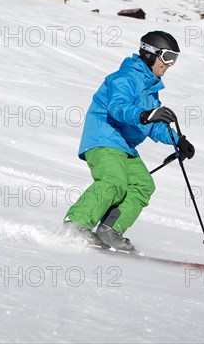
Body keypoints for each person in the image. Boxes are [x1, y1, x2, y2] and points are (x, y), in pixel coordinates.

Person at [63, 31, 195, 251]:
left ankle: (109, 231)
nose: (170, 64)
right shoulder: (123, 78)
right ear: (150, 55)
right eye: (168, 57)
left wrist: (177, 141)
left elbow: (153, 125)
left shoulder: (150, 91)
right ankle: (75, 225)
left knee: (143, 184)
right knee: (114, 182)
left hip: (124, 146)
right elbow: (118, 107)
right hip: (103, 138)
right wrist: (144, 115)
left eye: (175, 59)